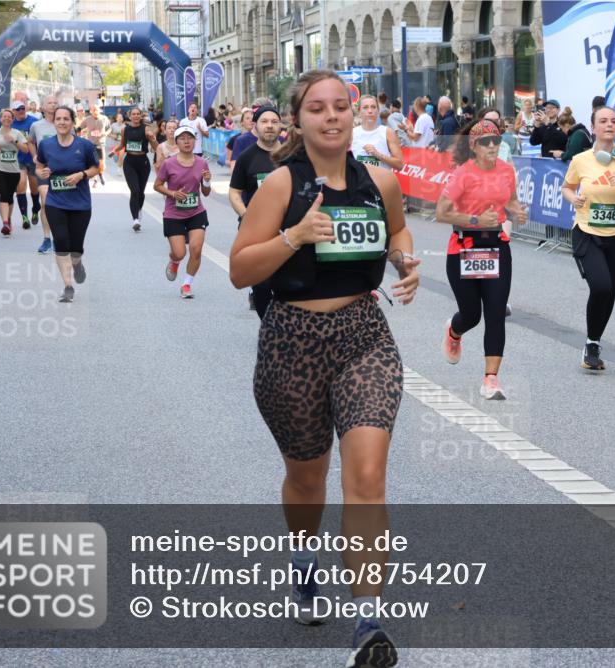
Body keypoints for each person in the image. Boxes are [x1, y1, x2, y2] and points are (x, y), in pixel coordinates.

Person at [229, 69, 420, 668]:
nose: (332, 116)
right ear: (300, 120)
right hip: (292, 341)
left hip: (365, 336)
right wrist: (294, 236)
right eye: (318, 108)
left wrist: (403, 257)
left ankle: (368, 622)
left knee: (367, 474)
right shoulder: (280, 186)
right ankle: (304, 561)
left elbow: (398, 228)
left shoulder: (380, 181)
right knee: (307, 481)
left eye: (342, 106)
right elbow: (240, 270)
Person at [436, 120, 528, 400]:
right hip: (464, 247)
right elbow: (441, 213)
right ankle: (454, 331)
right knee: (472, 315)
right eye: (485, 141)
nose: (491, 146)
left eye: (496, 140)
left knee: (496, 312)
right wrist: (474, 219)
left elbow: (510, 200)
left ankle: (490, 379)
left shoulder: (506, 170)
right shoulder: (463, 174)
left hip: (497, 247)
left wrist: (517, 211)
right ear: (474, 146)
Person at [560, 106, 615, 371]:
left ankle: (593, 343)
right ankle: (592, 341)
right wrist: (573, 198)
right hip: (586, 232)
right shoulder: (581, 160)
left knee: (610, 294)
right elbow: (566, 187)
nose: (609, 125)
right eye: (603, 121)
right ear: (593, 127)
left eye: (613, 121)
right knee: (601, 287)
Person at [34, 105, 100, 303]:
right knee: (61, 242)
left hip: (80, 204)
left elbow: (96, 168)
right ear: (54, 122)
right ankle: (68, 286)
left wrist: (81, 175)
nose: (62, 122)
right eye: (58, 119)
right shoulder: (46, 145)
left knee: (76, 248)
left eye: (66, 119)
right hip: (55, 202)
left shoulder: (85, 146)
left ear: (72, 122)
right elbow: (39, 167)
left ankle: (77, 263)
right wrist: (42, 173)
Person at [228, 105, 282, 312]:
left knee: (287, 282)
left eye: (274, 122)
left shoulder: (292, 156)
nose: (269, 126)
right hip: (256, 230)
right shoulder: (247, 158)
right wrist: (246, 215)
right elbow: (234, 192)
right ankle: (269, 327)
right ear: (255, 126)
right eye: (264, 122)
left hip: (287, 228)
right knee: (262, 286)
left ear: (280, 127)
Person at [153, 127, 212, 299]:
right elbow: (156, 185)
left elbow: (206, 192)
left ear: (195, 141)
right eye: (182, 138)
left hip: (196, 212)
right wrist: (172, 194)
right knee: (180, 252)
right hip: (174, 214)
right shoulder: (169, 163)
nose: (187, 141)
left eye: (190, 138)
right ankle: (174, 260)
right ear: (176, 142)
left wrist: (207, 182)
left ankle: (186, 284)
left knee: (196, 249)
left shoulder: (202, 163)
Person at [0, 109, 31, 235]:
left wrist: (14, 141)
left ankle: (8, 219)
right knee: (4, 194)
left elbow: (26, 150)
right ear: (0, 119)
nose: (6, 118)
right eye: (4, 116)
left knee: (9, 196)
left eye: (9, 117)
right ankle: (5, 223)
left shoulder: (17, 133)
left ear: (12, 119)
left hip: (14, 170)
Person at [28, 95, 60, 253]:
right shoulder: (36, 125)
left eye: (55, 103)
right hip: (43, 167)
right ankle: (47, 239)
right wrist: (35, 156)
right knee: (46, 201)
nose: (53, 105)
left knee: (60, 204)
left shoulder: (65, 123)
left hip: (62, 168)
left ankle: (59, 236)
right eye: (50, 103)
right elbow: (30, 141)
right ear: (43, 106)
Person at [120, 107, 160, 232]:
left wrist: (152, 138)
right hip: (129, 162)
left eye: (138, 114)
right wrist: (114, 152)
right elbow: (122, 144)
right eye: (134, 114)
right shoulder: (124, 129)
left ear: (141, 116)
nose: (136, 116)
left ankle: (138, 209)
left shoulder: (146, 129)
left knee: (141, 192)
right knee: (135, 190)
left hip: (143, 162)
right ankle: (135, 219)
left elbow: (156, 147)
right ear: (129, 116)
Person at [351, 96, 404, 171]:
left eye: (373, 107)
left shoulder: (387, 132)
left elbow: (400, 165)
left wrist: (378, 154)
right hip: (359, 182)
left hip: (382, 182)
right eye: (365, 107)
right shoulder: (352, 134)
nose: (370, 111)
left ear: (378, 111)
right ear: (359, 111)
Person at [9, 100, 39, 230]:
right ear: (14, 111)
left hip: (33, 159)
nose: (21, 111)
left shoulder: (34, 121)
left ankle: (35, 209)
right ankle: (25, 217)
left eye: (22, 108)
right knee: (21, 185)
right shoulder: (11, 123)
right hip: (18, 159)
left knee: (34, 188)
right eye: (18, 109)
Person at [79, 105, 110, 186]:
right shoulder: (87, 119)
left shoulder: (104, 118)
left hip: (101, 143)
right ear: (91, 111)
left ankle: (101, 174)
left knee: (102, 163)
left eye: (96, 110)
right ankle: (92, 179)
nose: (95, 112)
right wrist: (77, 135)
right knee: (92, 162)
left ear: (99, 110)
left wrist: (105, 133)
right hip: (91, 144)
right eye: (93, 110)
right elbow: (79, 128)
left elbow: (109, 128)